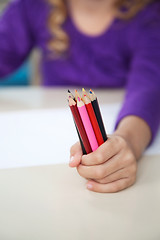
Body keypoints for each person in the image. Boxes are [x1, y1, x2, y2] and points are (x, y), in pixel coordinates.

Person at [0, 0, 160, 193]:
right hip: (49, 157)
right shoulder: (31, 6)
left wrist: (128, 141)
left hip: (124, 130)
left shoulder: (150, 15)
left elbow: (148, 90)